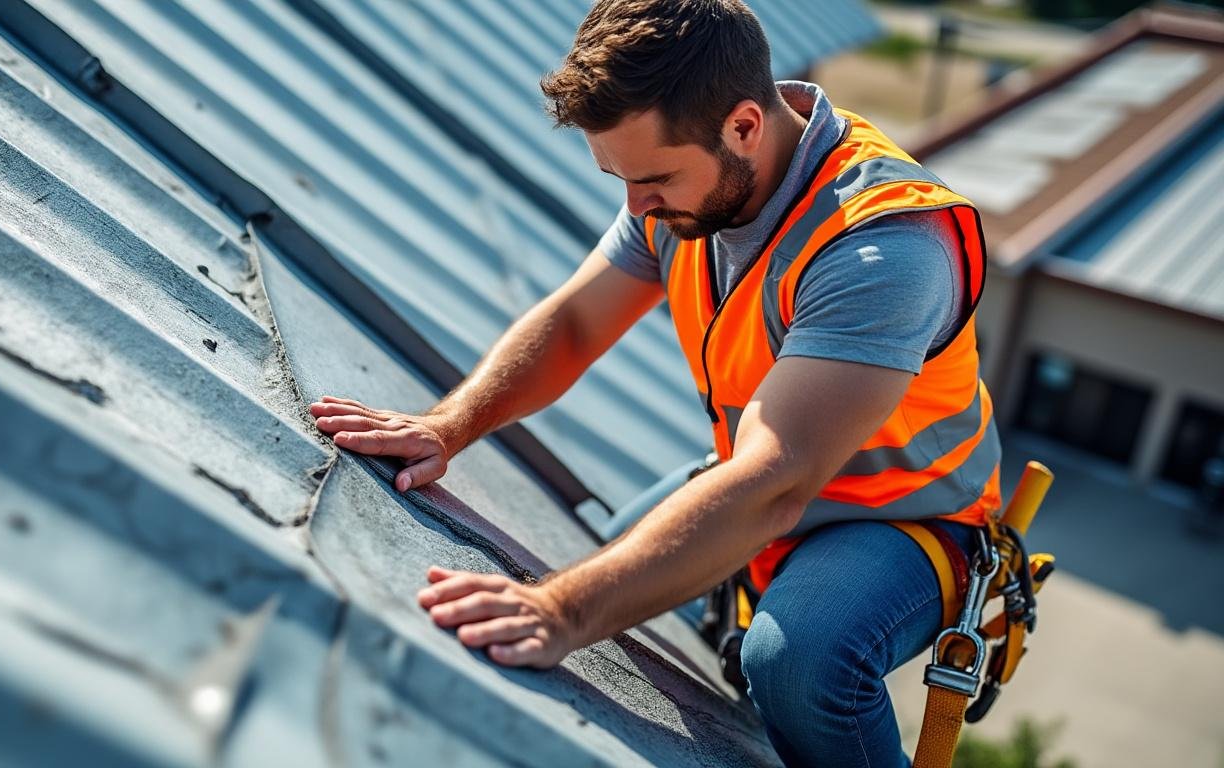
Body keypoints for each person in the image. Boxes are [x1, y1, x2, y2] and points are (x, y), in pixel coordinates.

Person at [308, 0, 1002, 764]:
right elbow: (574, 326)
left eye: (654, 179)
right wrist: (449, 425)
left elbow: (775, 482)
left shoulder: (884, 250)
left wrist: (563, 614)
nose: (637, 208)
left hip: (908, 518)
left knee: (798, 662)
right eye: (621, 180)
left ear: (743, 126)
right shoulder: (684, 188)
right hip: (768, 478)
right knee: (608, 557)